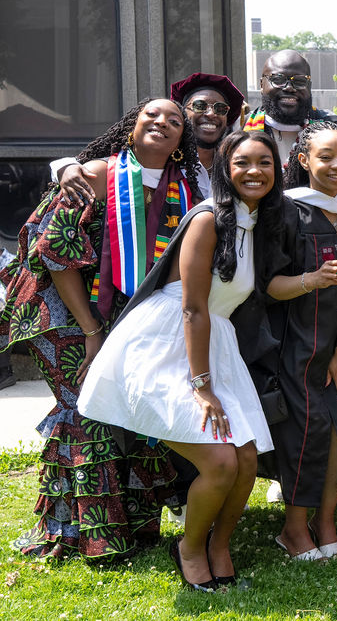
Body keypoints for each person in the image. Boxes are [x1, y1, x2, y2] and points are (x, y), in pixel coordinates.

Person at [0, 99, 201, 561]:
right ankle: (83, 534)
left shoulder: (185, 189)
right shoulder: (92, 175)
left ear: (180, 143)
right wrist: (91, 329)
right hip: (65, 314)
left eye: (175, 121)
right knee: (84, 412)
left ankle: (132, 523)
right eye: (152, 116)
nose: (163, 123)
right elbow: (56, 257)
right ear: (130, 128)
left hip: (127, 320)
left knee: (125, 413)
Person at [78, 130, 280, 590]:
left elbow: (256, 293)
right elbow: (191, 307)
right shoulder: (208, 219)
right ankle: (189, 548)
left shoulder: (256, 222)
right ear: (224, 171)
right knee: (220, 462)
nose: (254, 172)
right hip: (167, 342)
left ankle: (219, 546)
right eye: (242, 163)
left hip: (215, 340)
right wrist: (202, 385)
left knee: (247, 461)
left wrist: (316, 278)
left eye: (265, 163)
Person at [263, 121, 337, 559]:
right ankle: (294, 529)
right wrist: (311, 280)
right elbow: (268, 284)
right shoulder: (286, 210)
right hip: (294, 344)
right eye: (325, 156)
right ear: (303, 160)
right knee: (305, 433)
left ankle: (324, 521)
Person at [53, 73, 246, 203]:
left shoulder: (233, 165)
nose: (211, 114)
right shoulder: (162, 159)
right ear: (183, 114)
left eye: (220, 109)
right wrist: (65, 167)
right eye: (199, 106)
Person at [244, 49, 337, 198]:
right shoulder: (240, 131)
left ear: (309, 86)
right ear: (261, 84)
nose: (289, 87)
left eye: (299, 81)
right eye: (278, 79)